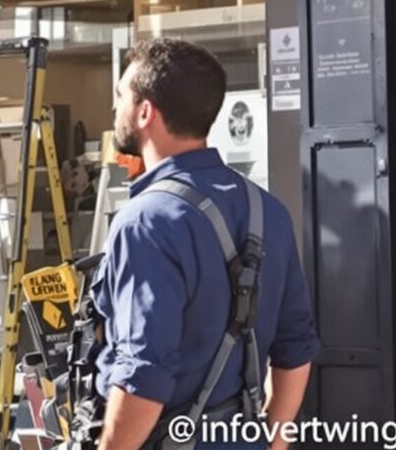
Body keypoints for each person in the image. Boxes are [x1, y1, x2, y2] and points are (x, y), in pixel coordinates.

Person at [91, 38, 320, 450]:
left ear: (146, 112)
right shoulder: (267, 209)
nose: (116, 109)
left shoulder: (144, 222)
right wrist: (276, 440)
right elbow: (296, 345)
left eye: (121, 96)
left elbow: (144, 373)